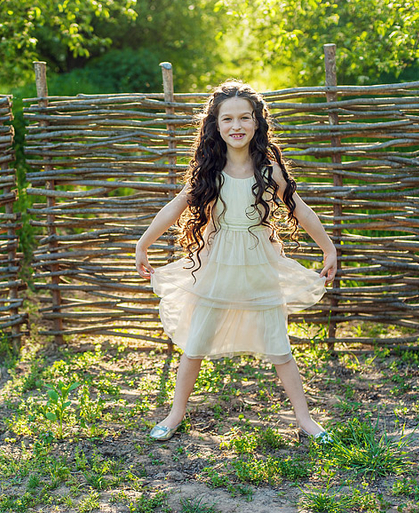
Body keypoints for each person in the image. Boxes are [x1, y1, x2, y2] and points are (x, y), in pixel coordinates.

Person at [135, 80, 337, 442]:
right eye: (227, 119)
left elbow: (301, 210)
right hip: (217, 267)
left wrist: (328, 248)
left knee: (280, 347)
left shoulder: (269, 171)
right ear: (215, 124)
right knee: (195, 344)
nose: (237, 126)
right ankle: (175, 414)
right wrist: (143, 243)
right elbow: (176, 206)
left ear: (257, 122)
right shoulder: (209, 171)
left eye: (245, 117)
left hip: (259, 265)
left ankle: (305, 419)